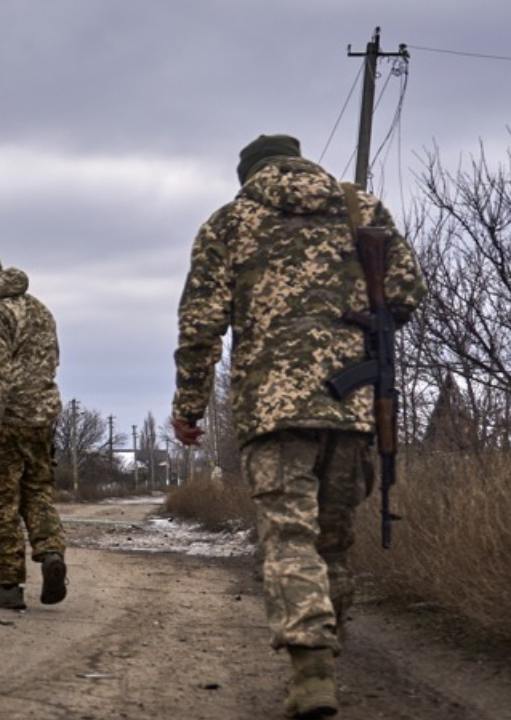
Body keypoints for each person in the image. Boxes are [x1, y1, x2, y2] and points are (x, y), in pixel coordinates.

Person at [170, 134, 426, 718]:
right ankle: (328, 660)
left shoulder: (230, 221)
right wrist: (358, 320)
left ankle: (312, 670)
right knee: (333, 540)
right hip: (356, 404)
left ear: (248, 176)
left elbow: (200, 325)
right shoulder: (360, 208)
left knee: (289, 536)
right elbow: (409, 291)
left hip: (273, 410)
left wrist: (188, 407)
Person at [0, 250, 68, 610]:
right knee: (37, 492)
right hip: (41, 420)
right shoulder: (38, 309)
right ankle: (51, 553)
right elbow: (49, 362)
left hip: (6, 422)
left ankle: (9, 584)